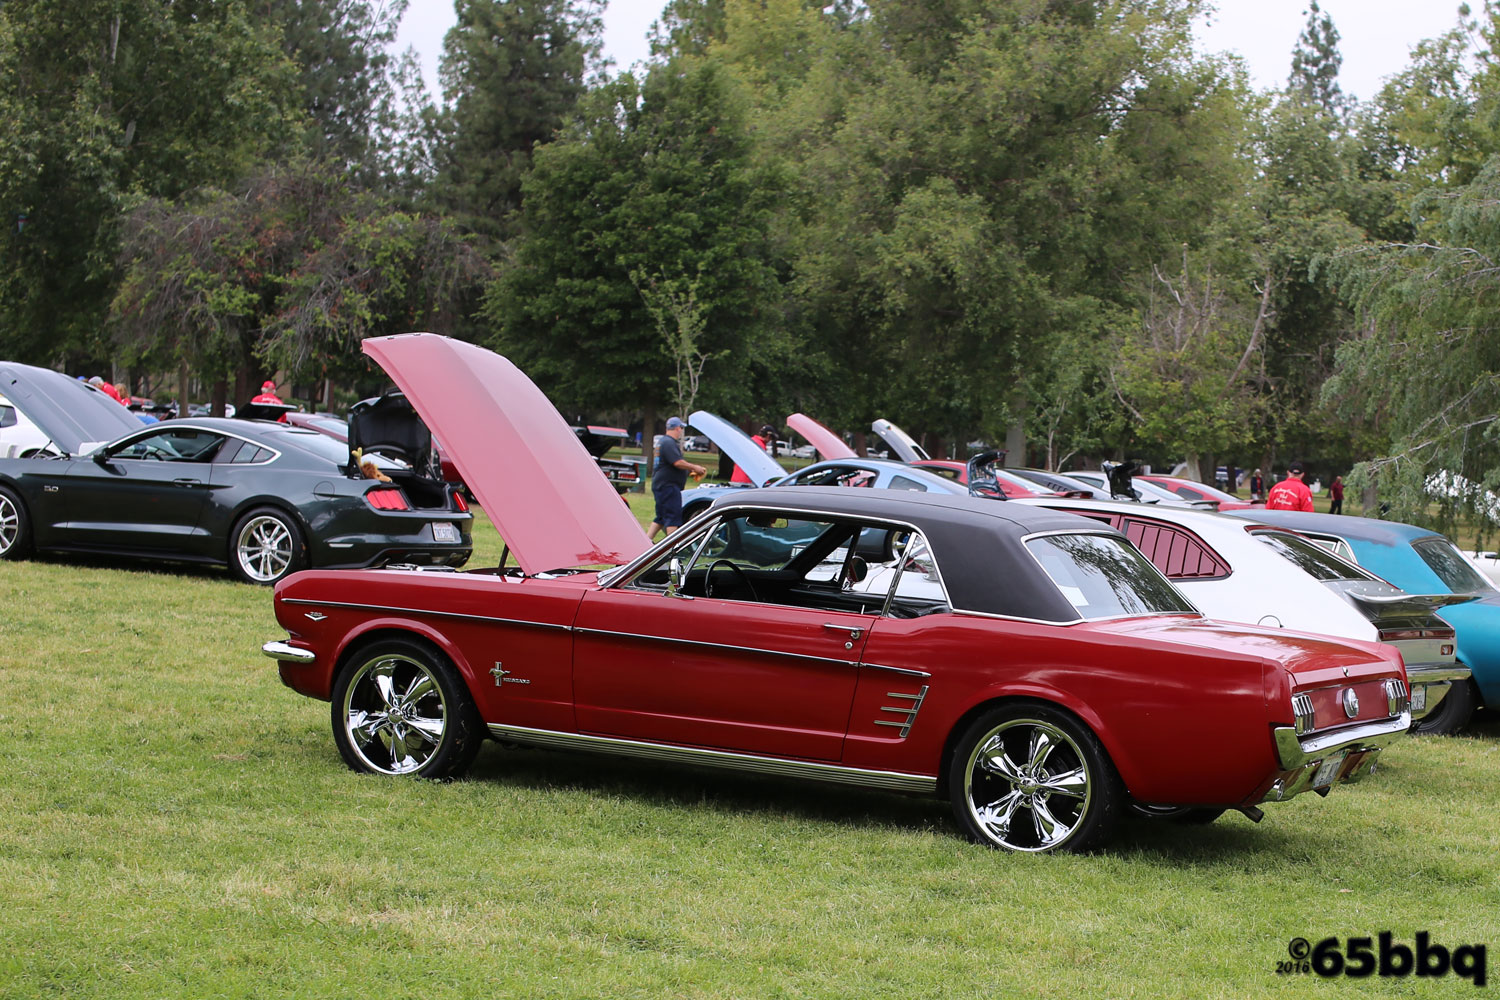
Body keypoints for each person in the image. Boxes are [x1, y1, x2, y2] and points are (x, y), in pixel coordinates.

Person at [647, 416, 707, 541]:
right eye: (681, 428)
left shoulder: (662, 442)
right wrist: (694, 467)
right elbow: (677, 462)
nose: (681, 431)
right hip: (668, 485)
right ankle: (672, 548)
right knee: (672, 517)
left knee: (661, 518)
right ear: (677, 428)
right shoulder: (668, 442)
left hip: (662, 484)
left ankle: (645, 542)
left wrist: (689, 470)